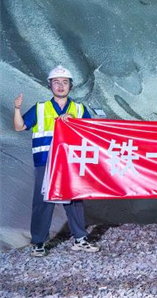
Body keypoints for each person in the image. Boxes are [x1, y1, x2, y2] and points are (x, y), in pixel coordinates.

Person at [12, 65, 100, 257]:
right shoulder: (40, 108)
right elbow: (19, 127)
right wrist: (17, 108)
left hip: (71, 163)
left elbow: (92, 131)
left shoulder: (79, 108)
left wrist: (74, 122)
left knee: (75, 199)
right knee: (43, 201)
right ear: (50, 85)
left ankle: (80, 239)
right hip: (46, 161)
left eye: (65, 82)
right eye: (57, 82)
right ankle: (38, 242)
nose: (61, 86)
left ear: (71, 86)